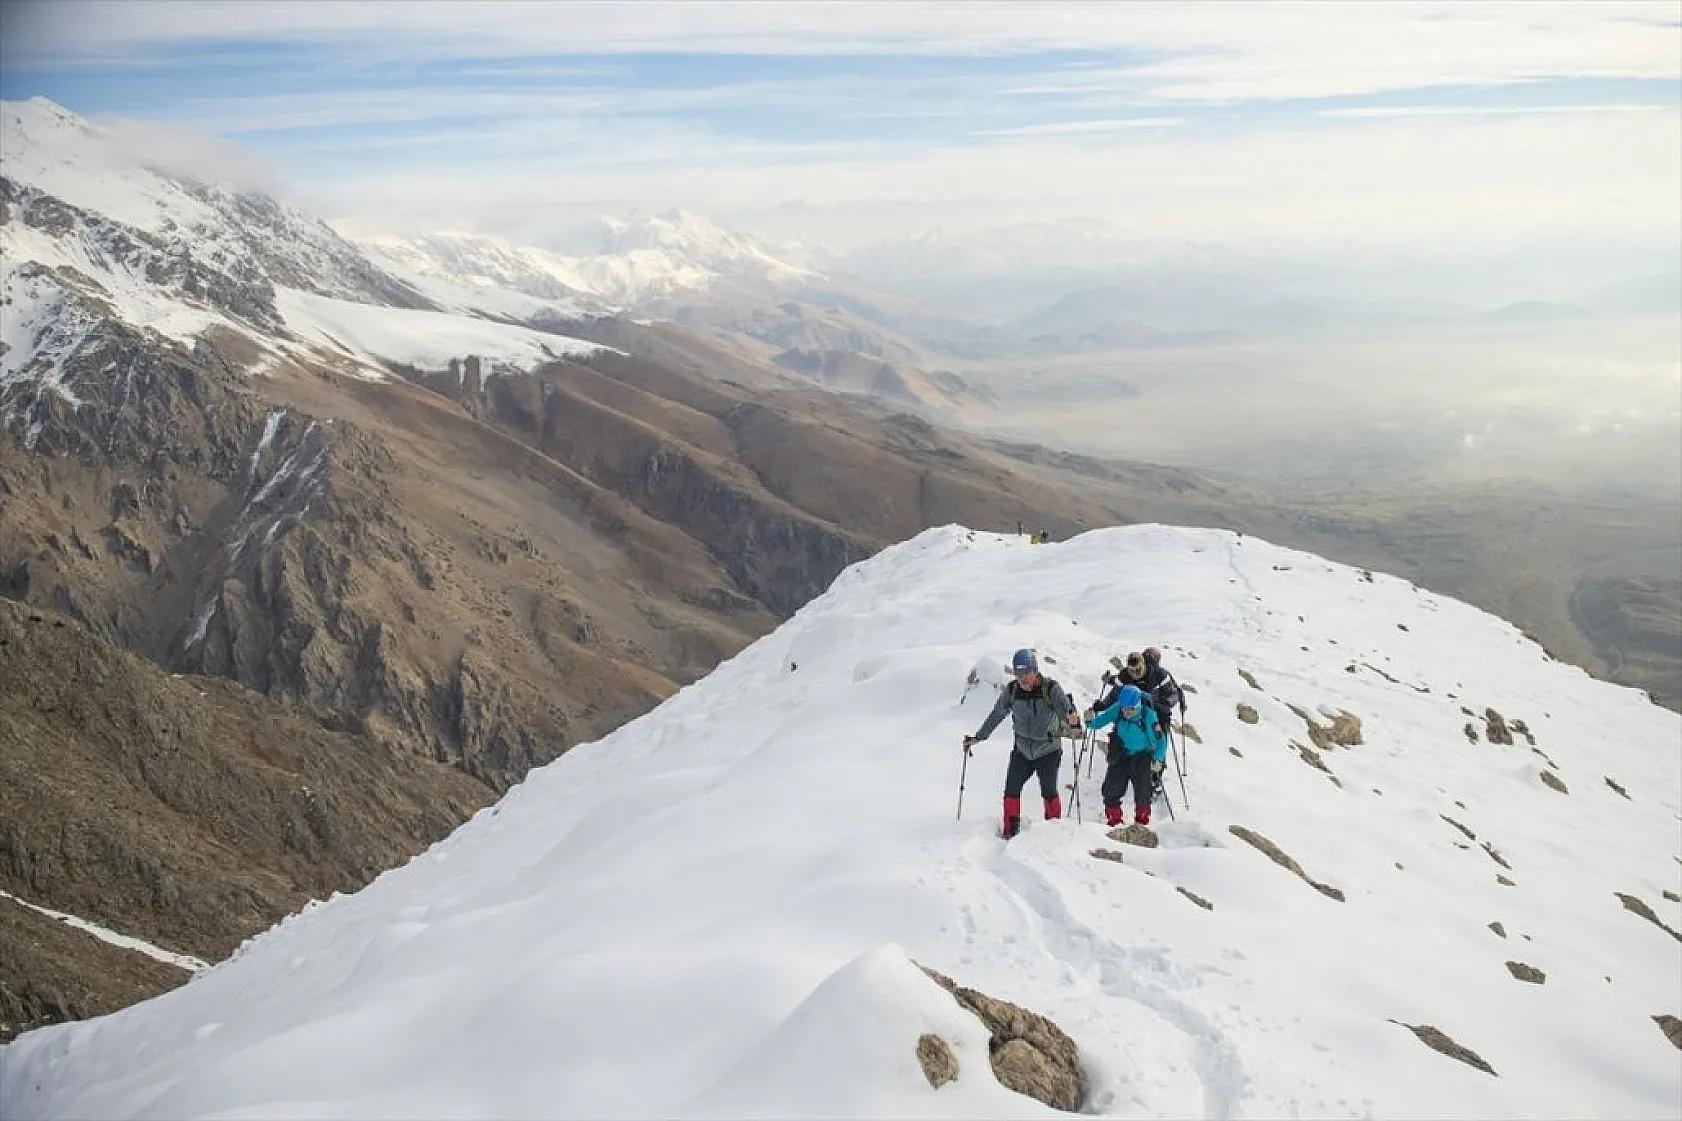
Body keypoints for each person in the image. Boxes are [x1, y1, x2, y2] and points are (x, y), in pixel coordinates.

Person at [963, 648, 1081, 838]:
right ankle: (1010, 831)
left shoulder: (1051, 689)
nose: (1022, 679)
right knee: (1011, 790)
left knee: (1049, 791)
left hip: (1048, 751)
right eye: (1018, 674)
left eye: (1026, 673)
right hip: (1022, 751)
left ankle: (1053, 834)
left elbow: (1065, 710)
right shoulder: (1012, 691)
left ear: (1035, 670)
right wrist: (979, 737)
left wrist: (1072, 719)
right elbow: (997, 714)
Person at [1088, 683, 1165, 827]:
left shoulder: (1148, 715)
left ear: (1137, 705)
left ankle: (1141, 823)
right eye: (1124, 708)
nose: (1126, 712)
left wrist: (1158, 759)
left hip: (1142, 755)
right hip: (1121, 753)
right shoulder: (1118, 709)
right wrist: (1088, 720)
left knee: (1144, 792)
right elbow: (1098, 722)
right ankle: (1114, 820)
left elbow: (1160, 740)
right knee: (1111, 789)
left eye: (1130, 709)